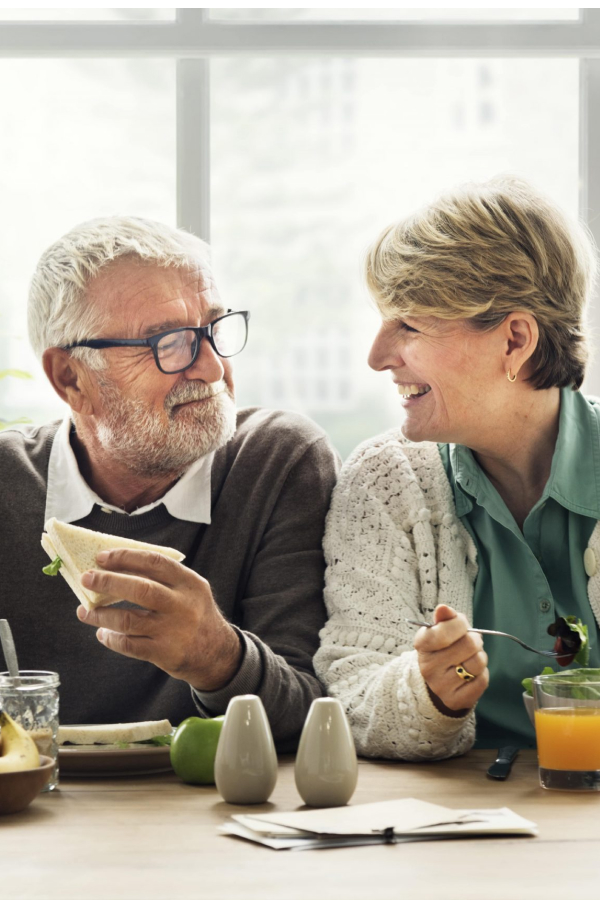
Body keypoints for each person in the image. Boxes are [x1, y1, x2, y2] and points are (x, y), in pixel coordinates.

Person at [0, 216, 339, 748]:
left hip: (217, 815)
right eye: (169, 342)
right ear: (72, 378)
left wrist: (217, 658)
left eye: (215, 329)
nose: (209, 367)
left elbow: (316, 719)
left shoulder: (277, 461)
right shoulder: (5, 485)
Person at [314, 176, 600, 759]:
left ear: (515, 340)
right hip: (461, 824)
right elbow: (352, 688)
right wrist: (433, 695)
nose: (376, 356)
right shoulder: (385, 481)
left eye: (410, 326)